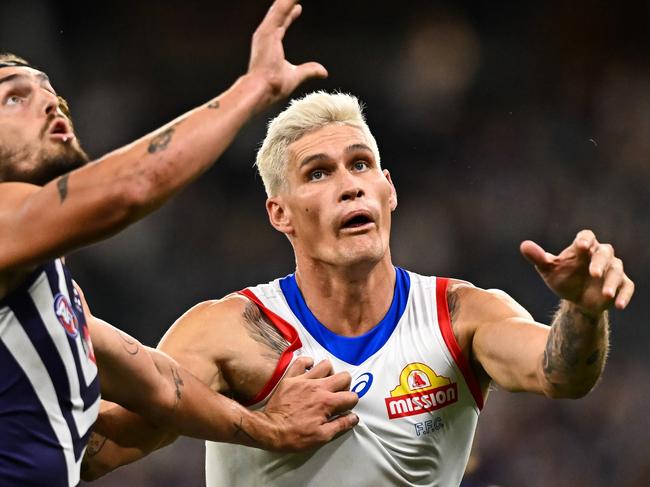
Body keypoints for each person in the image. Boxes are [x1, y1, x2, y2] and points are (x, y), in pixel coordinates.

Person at [84, 91, 634, 486]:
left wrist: (583, 311)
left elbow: (561, 375)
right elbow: (105, 449)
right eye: (318, 173)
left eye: (361, 165)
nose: (349, 186)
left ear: (387, 190)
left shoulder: (459, 315)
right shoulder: (228, 331)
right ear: (280, 214)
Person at [0, 2, 361, 486]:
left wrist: (265, 426)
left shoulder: (50, 288)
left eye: (54, 96)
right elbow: (134, 186)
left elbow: (156, 386)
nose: (50, 103)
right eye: (13, 98)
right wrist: (254, 88)